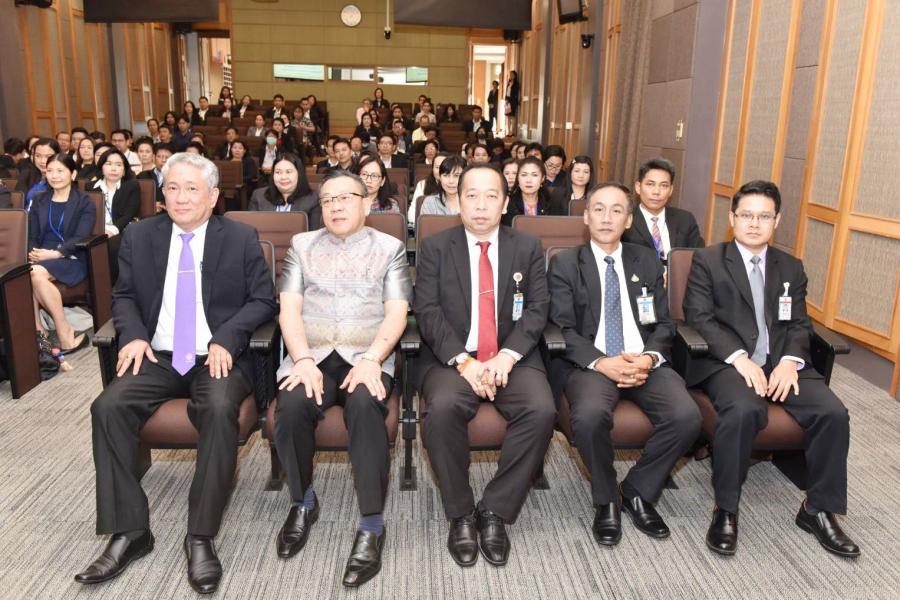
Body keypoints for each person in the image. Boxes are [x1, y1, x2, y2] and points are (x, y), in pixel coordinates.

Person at [76, 153, 277, 594]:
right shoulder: (140, 235)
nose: (181, 197)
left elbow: (263, 300)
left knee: (219, 408)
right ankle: (130, 531)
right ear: (162, 194)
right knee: (108, 406)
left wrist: (227, 338)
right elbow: (124, 296)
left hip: (217, 354)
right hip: (160, 354)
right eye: (172, 188)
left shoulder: (240, 237)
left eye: (191, 189)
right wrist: (132, 335)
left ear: (213, 196)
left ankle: (200, 534)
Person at [683, 180, 859, 558]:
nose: (754, 223)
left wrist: (790, 362)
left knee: (833, 413)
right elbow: (699, 318)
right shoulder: (709, 260)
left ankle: (817, 509)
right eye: (746, 215)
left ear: (776, 221)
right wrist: (739, 358)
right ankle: (726, 509)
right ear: (732, 217)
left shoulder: (790, 267)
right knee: (743, 410)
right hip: (730, 363)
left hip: (780, 362)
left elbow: (798, 324)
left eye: (764, 217)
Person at [273, 169, 410, 586]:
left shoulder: (389, 248)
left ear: (366, 203)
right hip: (311, 355)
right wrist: (301, 359)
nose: (335, 207)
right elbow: (289, 309)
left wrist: (372, 359)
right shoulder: (302, 245)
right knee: (291, 406)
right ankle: (302, 501)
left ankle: (371, 523)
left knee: (365, 406)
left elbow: (397, 312)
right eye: (327, 200)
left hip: (367, 355)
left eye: (345, 198)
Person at [415, 163, 556, 568]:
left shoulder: (527, 247)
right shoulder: (436, 247)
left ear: (505, 202)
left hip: (512, 356)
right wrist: (465, 362)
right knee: (442, 410)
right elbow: (427, 311)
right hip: (453, 358)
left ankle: (495, 509)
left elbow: (537, 309)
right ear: (457, 201)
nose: (480, 205)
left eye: (490, 196)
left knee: (540, 409)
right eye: (471, 196)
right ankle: (461, 513)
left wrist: (507, 356)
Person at [548, 181, 701, 547]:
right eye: (598, 209)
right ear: (586, 216)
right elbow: (562, 327)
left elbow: (664, 323)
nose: (607, 218)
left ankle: (637, 490)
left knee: (687, 417)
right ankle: (606, 499)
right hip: (593, 363)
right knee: (589, 417)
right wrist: (602, 362)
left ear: (629, 219)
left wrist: (648, 357)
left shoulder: (646, 260)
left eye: (617, 210)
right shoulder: (565, 263)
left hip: (642, 358)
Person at [27, 153, 95, 353]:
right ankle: (39, 331)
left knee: (33, 273)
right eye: (50, 171)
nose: (54, 175)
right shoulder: (39, 199)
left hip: (71, 257)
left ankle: (62, 329)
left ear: (72, 174)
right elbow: (31, 234)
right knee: (24, 273)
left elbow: (81, 236)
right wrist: (33, 253)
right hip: (40, 256)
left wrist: (56, 254)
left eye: (60, 171)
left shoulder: (84, 202)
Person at [623, 157, 704, 262]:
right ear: (638, 187)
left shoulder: (685, 220)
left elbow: (699, 259)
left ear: (670, 190)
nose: (656, 192)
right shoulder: (625, 219)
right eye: (650, 184)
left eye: (664, 186)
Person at [90, 149, 141, 278]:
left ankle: (114, 285)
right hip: (96, 230)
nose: (113, 169)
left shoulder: (131, 186)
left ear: (124, 170)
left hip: (121, 229)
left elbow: (129, 213)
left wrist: (112, 230)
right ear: (101, 167)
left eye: (118, 165)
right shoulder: (91, 187)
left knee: (112, 246)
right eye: (109, 164)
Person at [248, 153, 320, 227]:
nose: (283, 177)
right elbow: (251, 229)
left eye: (288, 172)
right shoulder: (259, 196)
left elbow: (314, 232)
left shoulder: (313, 199)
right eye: (278, 172)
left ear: (299, 174)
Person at [503, 156, 565, 225]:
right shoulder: (507, 204)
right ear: (518, 178)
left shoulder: (552, 203)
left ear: (542, 178)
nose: (528, 180)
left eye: (534, 175)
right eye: (524, 175)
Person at [16, 137, 59, 211]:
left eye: (48, 156)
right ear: (32, 157)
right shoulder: (26, 174)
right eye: (38, 156)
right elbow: (18, 206)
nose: (43, 161)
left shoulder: (62, 179)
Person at [409, 153, 448, 228]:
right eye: (437, 167)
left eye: (444, 167)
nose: (440, 171)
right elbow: (413, 211)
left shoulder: (457, 186)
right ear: (432, 168)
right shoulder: (422, 184)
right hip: (427, 227)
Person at [136, 142, 173, 212]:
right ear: (153, 157)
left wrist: (162, 204)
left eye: (167, 157)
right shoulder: (142, 176)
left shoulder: (176, 178)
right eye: (159, 156)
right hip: (146, 214)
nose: (163, 160)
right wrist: (151, 205)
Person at [505, 70, 520, 135]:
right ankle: (509, 132)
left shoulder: (516, 84)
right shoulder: (509, 83)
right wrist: (506, 99)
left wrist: (510, 100)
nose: (510, 76)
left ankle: (512, 131)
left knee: (512, 116)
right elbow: (506, 92)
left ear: (515, 76)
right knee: (508, 117)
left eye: (512, 74)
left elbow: (515, 93)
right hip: (507, 101)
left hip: (513, 101)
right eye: (510, 74)